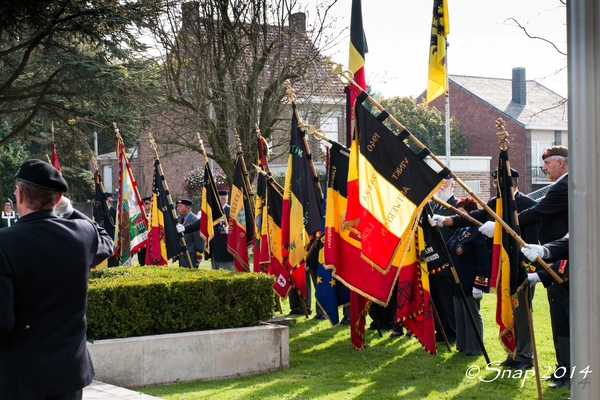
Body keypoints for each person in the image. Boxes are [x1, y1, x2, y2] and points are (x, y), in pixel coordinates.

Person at [0, 159, 113, 400]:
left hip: (21, 378)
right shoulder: (83, 235)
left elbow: (2, 321)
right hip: (69, 374)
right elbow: (106, 240)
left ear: (19, 194)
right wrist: (70, 211)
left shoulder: (4, 243)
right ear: (59, 196)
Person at [430, 168, 539, 369]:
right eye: (495, 183)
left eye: (500, 183)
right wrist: (446, 220)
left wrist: (499, 229)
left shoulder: (526, 204)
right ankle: (512, 353)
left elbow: (530, 236)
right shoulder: (493, 203)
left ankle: (525, 356)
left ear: (512, 183)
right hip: (502, 266)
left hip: (523, 266)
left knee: (522, 313)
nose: (495, 187)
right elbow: (475, 216)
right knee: (507, 310)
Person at [444, 196, 489, 356]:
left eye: (461, 212)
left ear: (471, 213)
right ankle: (462, 346)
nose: (458, 215)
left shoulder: (477, 231)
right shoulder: (460, 230)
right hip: (458, 280)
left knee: (472, 315)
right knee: (460, 315)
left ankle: (475, 348)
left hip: (471, 280)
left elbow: (483, 260)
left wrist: (480, 283)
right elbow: (448, 248)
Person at [429, 176, 457, 344]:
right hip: (434, 260)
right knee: (437, 300)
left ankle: (452, 332)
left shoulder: (458, 206)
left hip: (449, 260)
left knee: (448, 301)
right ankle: (440, 331)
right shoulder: (433, 205)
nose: (441, 186)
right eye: (439, 183)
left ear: (452, 185)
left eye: (445, 183)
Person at [206, 190, 234, 270]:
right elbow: (201, 222)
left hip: (225, 251)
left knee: (226, 275)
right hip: (214, 250)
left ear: (223, 200)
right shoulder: (214, 212)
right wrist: (185, 229)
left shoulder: (231, 211)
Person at [175, 198, 204, 268]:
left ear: (187, 208)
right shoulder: (178, 219)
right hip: (181, 254)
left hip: (191, 255)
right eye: (177, 206)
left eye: (180, 206)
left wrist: (199, 254)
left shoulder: (195, 220)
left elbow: (199, 240)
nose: (178, 208)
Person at [104, 192, 119, 267]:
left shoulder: (115, 212)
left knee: (113, 258)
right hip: (104, 236)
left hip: (113, 237)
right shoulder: (101, 212)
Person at [137, 196, 152, 266]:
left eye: (146, 203)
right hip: (142, 243)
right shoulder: (140, 217)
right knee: (141, 263)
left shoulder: (154, 217)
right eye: (143, 203)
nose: (144, 205)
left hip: (151, 243)